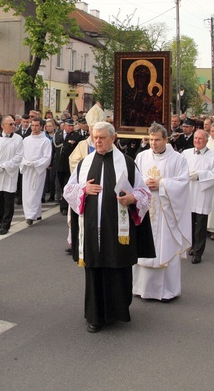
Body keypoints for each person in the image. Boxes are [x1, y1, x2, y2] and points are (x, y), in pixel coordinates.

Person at [63, 122, 154, 332]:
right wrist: (83, 189)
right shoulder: (85, 163)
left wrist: (132, 198)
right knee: (94, 269)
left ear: (113, 138)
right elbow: (69, 190)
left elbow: (144, 193)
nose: (97, 141)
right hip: (92, 227)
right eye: (95, 137)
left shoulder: (128, 163)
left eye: (102, 138)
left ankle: (117, 311)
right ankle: (94, 316)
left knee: (117, 266)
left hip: (117, 229)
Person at [132, 123, 191, 301]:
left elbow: (183, 182)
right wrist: (144, 182)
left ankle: (167, 291)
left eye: (157, 140)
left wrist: (162, 184)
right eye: (151, 140)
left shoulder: (178, 159)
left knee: (165, 247)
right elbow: (134, 178)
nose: (153, 143)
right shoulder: (141, 157)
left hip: (166, 213)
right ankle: (140, 288)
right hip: (145, 209)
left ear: (166, 139)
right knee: (143, 246)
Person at [182, 129, 214, 264]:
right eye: (195, 138)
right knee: (190, 223)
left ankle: (198, 252)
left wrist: (199, 175)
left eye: (200, 139)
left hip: (202, 193)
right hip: (188, 192)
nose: (197, 141)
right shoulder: (186, 154)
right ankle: (192, 246)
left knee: (200, 224)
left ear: (206, 140)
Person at [20, 118, 52, 225]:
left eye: (36, 125)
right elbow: (21, 154)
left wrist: (36, 164)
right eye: (32, 125)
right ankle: (37, 213)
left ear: (41, 127)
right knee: (27, 192)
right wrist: (25, 162)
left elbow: (47, 157)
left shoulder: (45, 141)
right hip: (27, 168)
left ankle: (30, 216)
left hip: (37, 169)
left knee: (34, 192)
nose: (34, 128)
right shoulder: (26, 140)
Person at [55, 119, 81, 216]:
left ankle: (64, 207)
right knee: (61, 185)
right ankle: (64, 203)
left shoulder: (76, 136)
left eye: (72, 126)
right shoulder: (58, 135)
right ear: (64, 126)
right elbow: (56, 150)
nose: (71, 127)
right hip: (59, 165)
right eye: (69, 126)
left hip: (69, 165)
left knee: (67, 185)